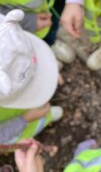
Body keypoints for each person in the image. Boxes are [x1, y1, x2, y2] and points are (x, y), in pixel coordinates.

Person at [0, 10, 63, 144]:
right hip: (14, 121)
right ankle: (44, 118)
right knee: (35, 122)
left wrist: (28, 20)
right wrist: (24, 119)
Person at [0, 0, 76, 67]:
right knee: (30, 40)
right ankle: (39, 58)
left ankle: (50, 44)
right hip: (22, 14)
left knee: (54, 21)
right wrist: (27, 21)